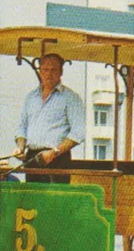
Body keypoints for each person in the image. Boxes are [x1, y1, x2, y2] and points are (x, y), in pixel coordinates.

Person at [14, 53, 86, 183]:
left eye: (54, 70)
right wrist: (20, 147)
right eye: (45, 70)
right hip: (32, 159)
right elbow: (22, 127)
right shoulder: (31, 97)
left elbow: (78, 132)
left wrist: (54, 152)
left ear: (61, 72)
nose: (49, 74)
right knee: (32, 200)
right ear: (40, 72)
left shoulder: (71, 98)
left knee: (55, 201)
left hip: (57, 159)